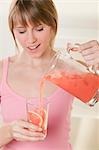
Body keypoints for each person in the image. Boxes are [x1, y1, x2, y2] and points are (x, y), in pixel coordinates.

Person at [0, 0, 99, 150]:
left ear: (53, 26)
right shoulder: (2, 70)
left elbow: (96, 98)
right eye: (21, 31)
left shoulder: (68, 68)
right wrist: (10, 131)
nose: (30, 40)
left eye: (39, 29)